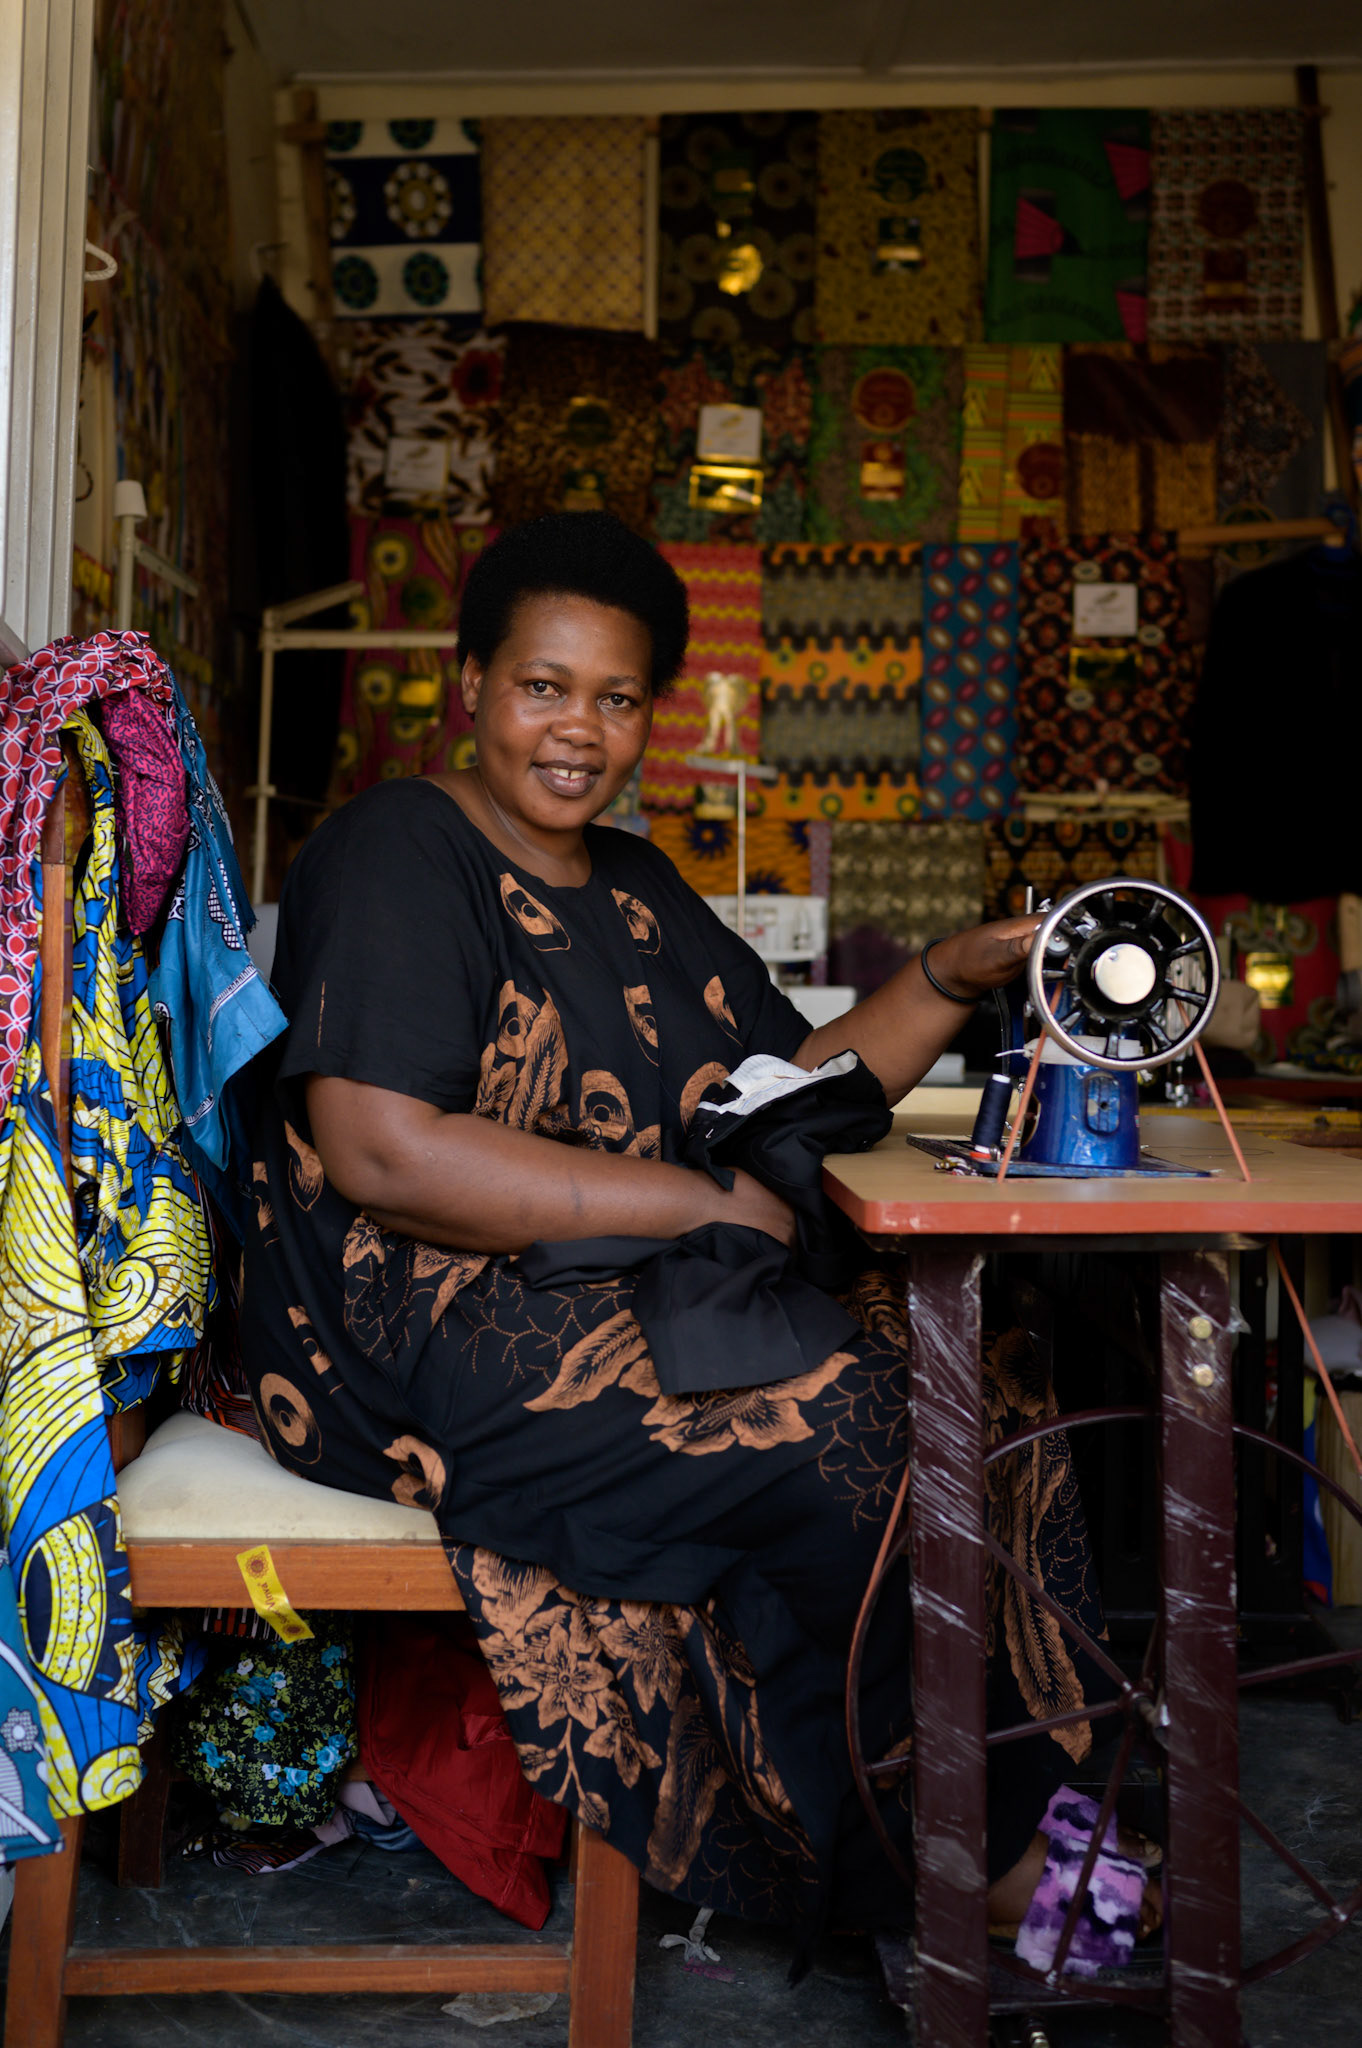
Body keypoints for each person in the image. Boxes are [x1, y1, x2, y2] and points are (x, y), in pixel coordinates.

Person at [239, 512, 1151, 1954]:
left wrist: (955, 971)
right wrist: (696, 1201)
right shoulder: (399, 849)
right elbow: (384, 1155)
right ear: (466, 681)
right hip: (415, 1331)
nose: (575, 732)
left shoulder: (638, 884)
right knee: (840, 1419)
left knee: (988, 1371)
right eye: (542, 686)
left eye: (614, 699)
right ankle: (944, 1865)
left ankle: (1018, 1803)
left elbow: (802, 1086)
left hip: (600, 1294)